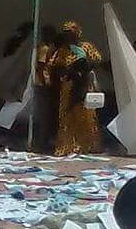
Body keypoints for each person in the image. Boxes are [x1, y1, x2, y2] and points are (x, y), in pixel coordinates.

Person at [51, 21, 103, 156]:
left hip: (85, 85)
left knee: (87, 116)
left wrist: (84, 67)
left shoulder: (86, 47)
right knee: (67, 116)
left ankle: (88, 145)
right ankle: (67, 146)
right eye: (66, 34)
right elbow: (55, 67)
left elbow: (97, 61)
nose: (68, 37)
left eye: (71, 34)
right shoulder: (62, 50)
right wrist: (69, 71)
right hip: (69, 86)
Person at [33, 25, 57, 153]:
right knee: (44, 115)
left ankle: (43, 141)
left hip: (44, 84)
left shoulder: (46, 48)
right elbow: (41, 67)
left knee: (46, 115)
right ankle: (42, 143)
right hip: (42, 85)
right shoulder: (44, 49)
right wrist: (45, 83)